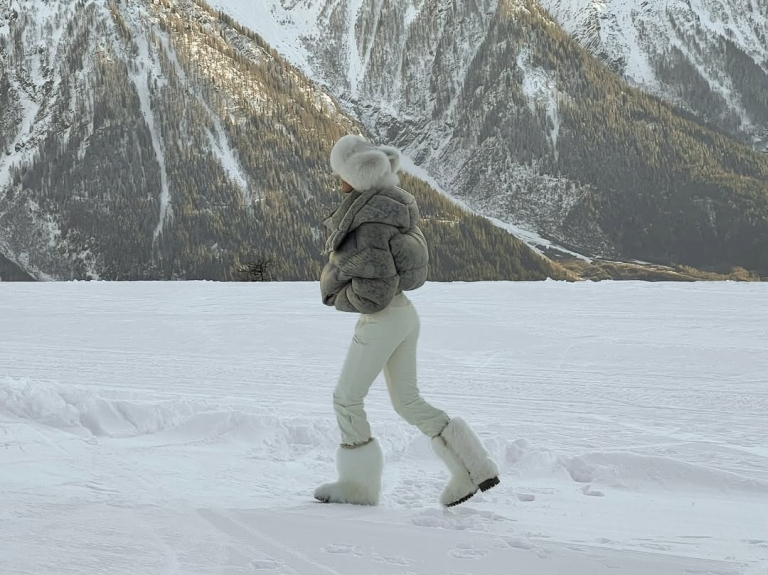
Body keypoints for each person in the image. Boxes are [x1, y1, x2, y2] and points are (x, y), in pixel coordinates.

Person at [314, 135, 500, 507]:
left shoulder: (367, 223)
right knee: (408, 402)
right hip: (403, 315)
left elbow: (375, 288)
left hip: (382, 317)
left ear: (358, 176)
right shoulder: (392, 209)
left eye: (342, 173)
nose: (338, 181)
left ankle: (358, 487)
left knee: (346, 399)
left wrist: (340, 297)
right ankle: (473, 468)